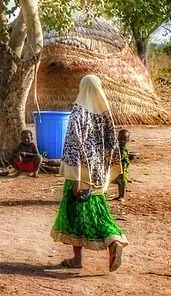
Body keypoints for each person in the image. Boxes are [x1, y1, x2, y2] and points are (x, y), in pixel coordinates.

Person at [51, 74, 128, 271]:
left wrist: (76, 182)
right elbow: (112, 145)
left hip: (80, 177)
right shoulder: (105, 116)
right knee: (99, 213)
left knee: (75, 217)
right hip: (97, 176)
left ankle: (79, 259)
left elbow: (73, 149)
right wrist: (106, 174)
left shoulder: (78, 114)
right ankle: (113, 241)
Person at [113, 129, 131, 200]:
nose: (122, 141)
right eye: (121, 139)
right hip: (119, 167)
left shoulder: (124, 149)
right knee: (119, 182)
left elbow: (122, 157)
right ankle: (120, 195)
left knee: (123, 182)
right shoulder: (119, 147)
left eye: (124, 139)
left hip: (124, 168)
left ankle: (122, 196)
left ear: (128, 140)